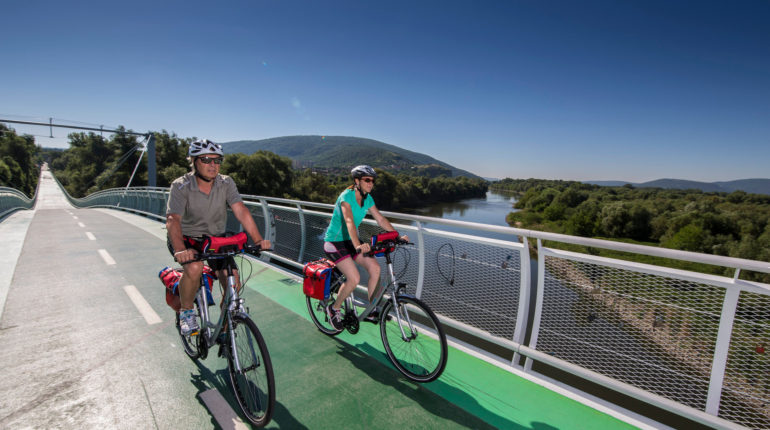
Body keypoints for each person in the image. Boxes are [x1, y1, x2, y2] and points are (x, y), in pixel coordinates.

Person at [166, 139, 271, 336]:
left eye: (217, 160)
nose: (213, 165)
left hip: (216, 240)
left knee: (233, 283)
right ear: (194, 161)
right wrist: (180, 249)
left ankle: (224, 331)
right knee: (195, 267)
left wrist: (258, 240)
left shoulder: (226, 182)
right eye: (206, 160)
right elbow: (173, 219)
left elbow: (241, 210)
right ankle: (186, 312)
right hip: (187, 238)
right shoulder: (181, 186)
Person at [322, 165, 408, 329]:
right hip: (334, 242)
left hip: (350, 241)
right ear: (357, 181)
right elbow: (349, 222)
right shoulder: (345, 197)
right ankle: (333, 308)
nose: (371, 184)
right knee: (354, 278)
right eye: (367, 180)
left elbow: (380, 219)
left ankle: (371, 309)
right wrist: (358, 245)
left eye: (373, 181)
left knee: (375, 268)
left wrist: (396, 236)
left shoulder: (368, 198)